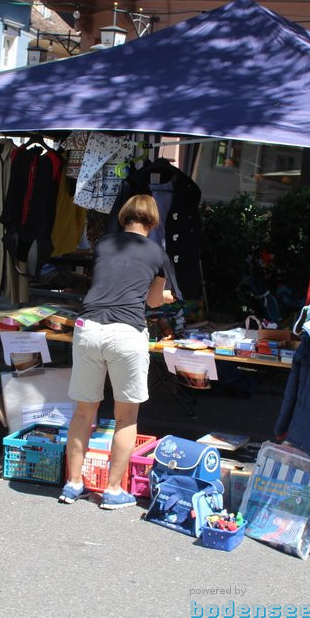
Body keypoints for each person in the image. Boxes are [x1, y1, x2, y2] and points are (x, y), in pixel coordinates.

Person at [59, 194, 175, 509]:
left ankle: (73, 484)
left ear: (124, 217)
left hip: (89, 328)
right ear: (153, 221)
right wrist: (167, 298)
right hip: (127, 333)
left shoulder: (103, 245)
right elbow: (152, 301)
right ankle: (112, 491)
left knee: (84, 412)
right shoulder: (158, 254)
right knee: (126, 418)